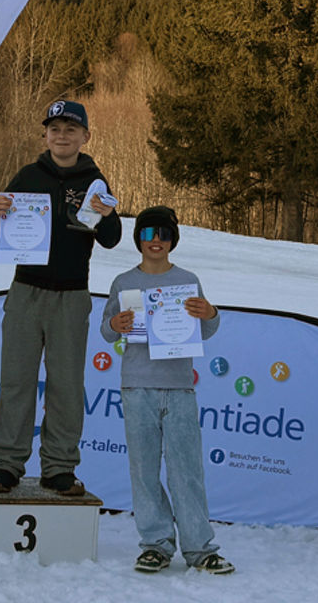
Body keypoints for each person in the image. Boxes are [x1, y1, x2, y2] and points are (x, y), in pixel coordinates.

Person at [0, 99, 121, 496]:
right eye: (55, 129)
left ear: (85, 136)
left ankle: (59, 467)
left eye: (70, 129)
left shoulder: (95, 182)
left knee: (66, 386)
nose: (62, 136)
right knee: (16, 381)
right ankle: (6, 465)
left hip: (72, 296)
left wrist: (107, 216)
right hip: (26, 291)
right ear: (45, 135)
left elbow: (111, 239)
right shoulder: (28, 175)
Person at [100, 206, 233, 574]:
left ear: (173, 240)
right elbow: (107, 331)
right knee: (143, 471)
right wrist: (115, 323)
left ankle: (199, 548)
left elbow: (206, 328)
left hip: (179, 388)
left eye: (163, 234)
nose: (155, 241)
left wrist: (210, 313)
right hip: (137, 386)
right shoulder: (124, 282)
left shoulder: (187, 279)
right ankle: (156, 544)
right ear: (138, 239)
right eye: (147, 234)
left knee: (186, 470)